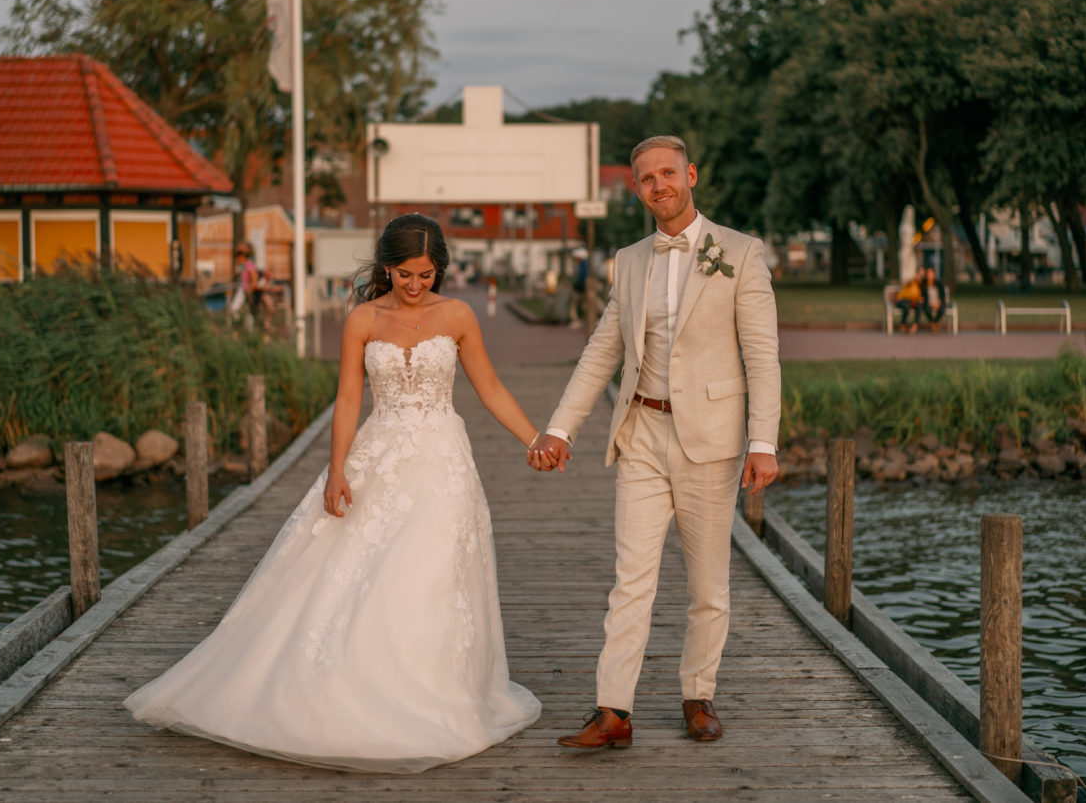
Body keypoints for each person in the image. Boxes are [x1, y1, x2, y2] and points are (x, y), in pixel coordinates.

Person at [125, 213, 543, 772]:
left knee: (433, 572)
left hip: (443, 462)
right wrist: (336, 470)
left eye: (425, 274)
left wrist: (535, 438)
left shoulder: (459, 314)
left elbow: (489, 387)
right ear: (385, 268)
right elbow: (348, 400)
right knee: (366, 571)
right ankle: (359, 689)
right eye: (403, 274)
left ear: (438, 268)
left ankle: (436, 691)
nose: (416, 286)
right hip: (379, 454)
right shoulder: (362, 320)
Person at [526, 136, 780, 749]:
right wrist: (560, 428)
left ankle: (698, 694)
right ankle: (614, 711)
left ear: (690, 174)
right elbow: (602, 352)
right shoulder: (630, 258)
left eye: (668, 172)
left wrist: (762, 440)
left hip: (712, 440)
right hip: (640, 430)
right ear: (636, 189)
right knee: (630, 579)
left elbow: (762, 353)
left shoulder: (739, 254)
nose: (658, 185)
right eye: (646, 178)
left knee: (706, 584)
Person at [921, 266, 948, 332]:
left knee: (942, 309)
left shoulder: (939, 284)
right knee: (926, 309)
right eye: (928, 274)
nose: (929, 276)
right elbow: (923, 297)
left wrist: (938, 303)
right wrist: (930, 303)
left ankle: (934, 322)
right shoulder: (924, 284)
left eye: (931, 273)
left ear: (934, 274)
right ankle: (933, 324)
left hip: (938, 303)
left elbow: (943, 295)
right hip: (928, 303)